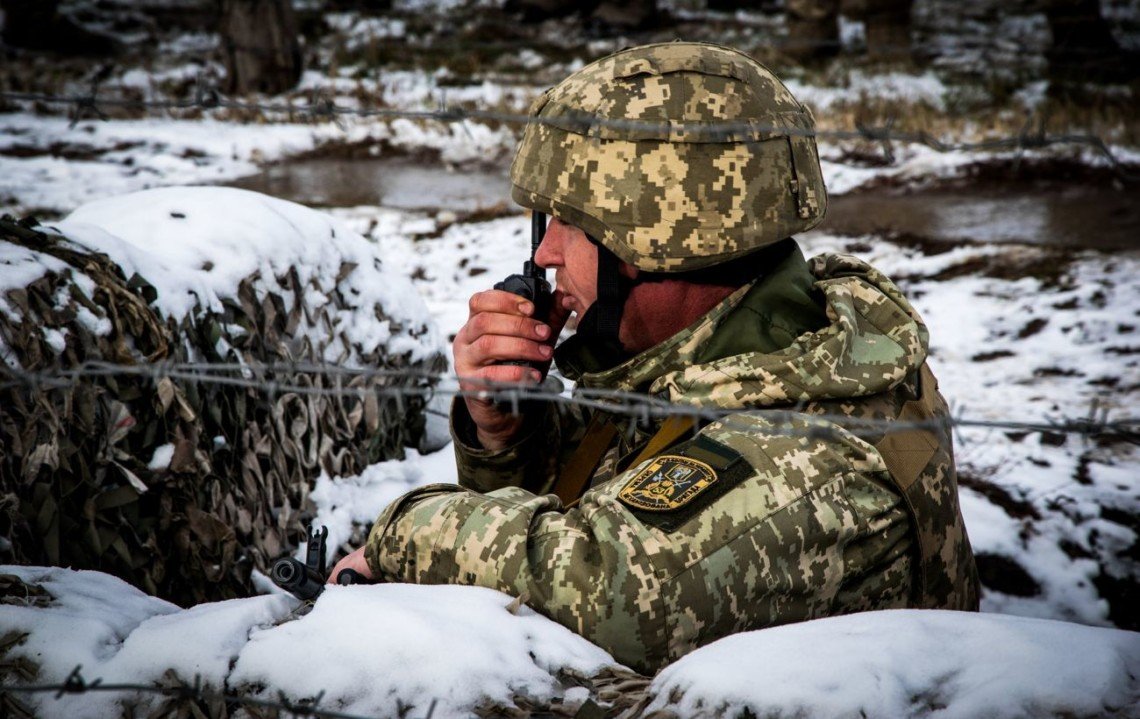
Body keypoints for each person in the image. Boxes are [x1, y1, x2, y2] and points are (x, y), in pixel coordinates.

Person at [330, 41, 979, 674]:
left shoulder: (811, 461)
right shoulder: (714, 355)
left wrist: (401, 536)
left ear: (656, 245)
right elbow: (582, 508)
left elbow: (606, 589)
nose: (545, 254)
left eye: (567, 223)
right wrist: (506, 428)